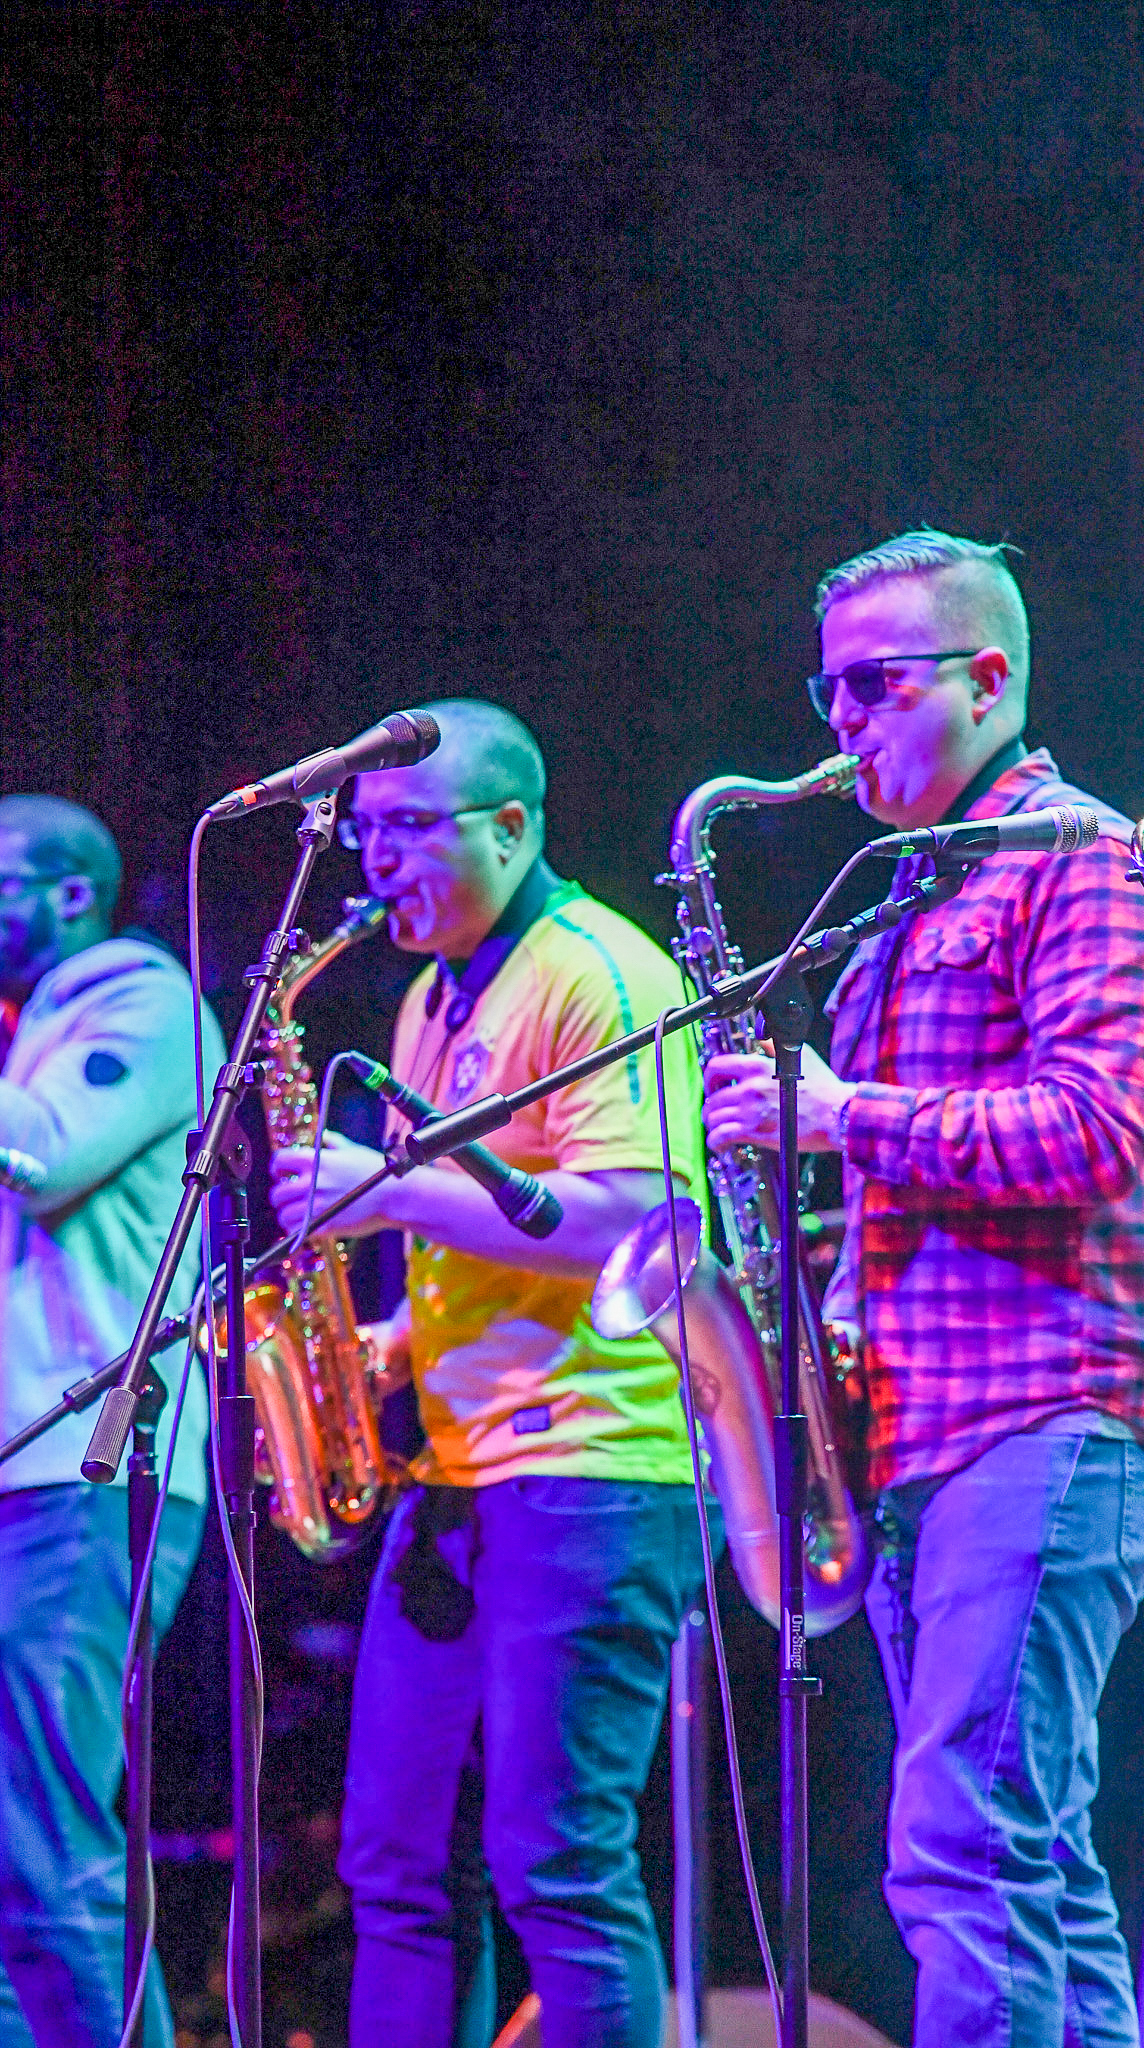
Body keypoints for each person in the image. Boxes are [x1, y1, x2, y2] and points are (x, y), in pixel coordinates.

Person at [703, 529, 1144, 2048]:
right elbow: (918, 1181)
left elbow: (1095, 1130)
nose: (843, 724)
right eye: (830, 692)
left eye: (876, 685)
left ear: (988, 680)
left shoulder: (1082, 856)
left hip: (1063, 1406)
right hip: (934, 1426)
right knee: (1026, 1865)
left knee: (961, 1843)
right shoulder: (900, 903)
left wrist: (840, 1113)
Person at [269, 699, 709, 2048]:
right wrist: (370, 1351)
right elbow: (493, 1240)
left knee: (560, 1868)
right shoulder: (422, 995)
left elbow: (640, 1215)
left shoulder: (601, 971)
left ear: (512, 826)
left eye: (406, 831)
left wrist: (388, 1192)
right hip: (454, 1477)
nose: (375, 864)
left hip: (591, 1470)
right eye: (363, 834)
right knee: (392, 1865)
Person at [0, 794, 223, 2048]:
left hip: (83, 1475)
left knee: (48, 1834)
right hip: (21, 1472)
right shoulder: (30, 1031)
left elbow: (50, 1156)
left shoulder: (138, 998)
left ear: (71, 891)